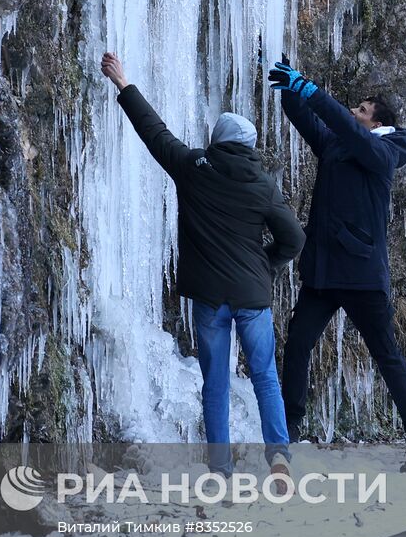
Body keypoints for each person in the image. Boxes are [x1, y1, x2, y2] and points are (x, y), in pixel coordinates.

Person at [101, 52, 305, 480]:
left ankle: (221, 467)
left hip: (211, 299)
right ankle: (279, 456)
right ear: (248, 147)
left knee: (215, 383)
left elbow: (154, 132)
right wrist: (266, 266)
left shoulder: (194, 167)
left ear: (217, 139)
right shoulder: (264, 186)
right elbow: (294, 239)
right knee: (265, 375)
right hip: (253, 296)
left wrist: (123, 84)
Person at [267, 57, 406, 468]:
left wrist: (311, 90)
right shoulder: (338, 143)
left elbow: (348, 130)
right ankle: (287, 432)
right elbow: (308, 119)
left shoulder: (390, 148)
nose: (353, 112)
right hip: (323, 274)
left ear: (376, 122)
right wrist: (290, 86)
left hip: (361, 275)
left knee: (387, 355)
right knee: (298, 345)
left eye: (361, 109)